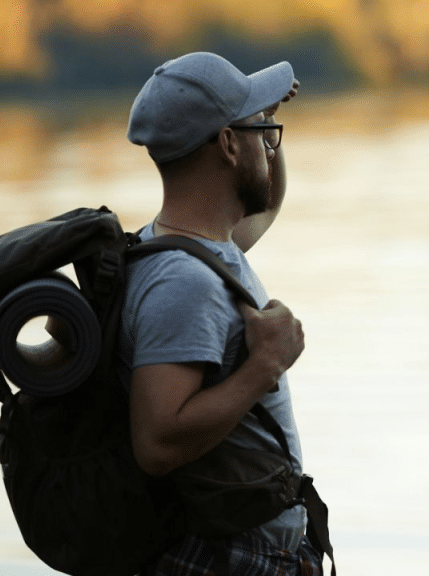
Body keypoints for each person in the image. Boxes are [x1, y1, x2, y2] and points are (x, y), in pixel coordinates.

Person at [122, 51, 328, 575]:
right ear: (228, 144)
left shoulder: (200, 248)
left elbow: (267, 199)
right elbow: (157, 440)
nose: (269, 137)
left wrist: (265, 118)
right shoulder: (184, 284)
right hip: (233, 561)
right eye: (260, 131)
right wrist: (267, 365)